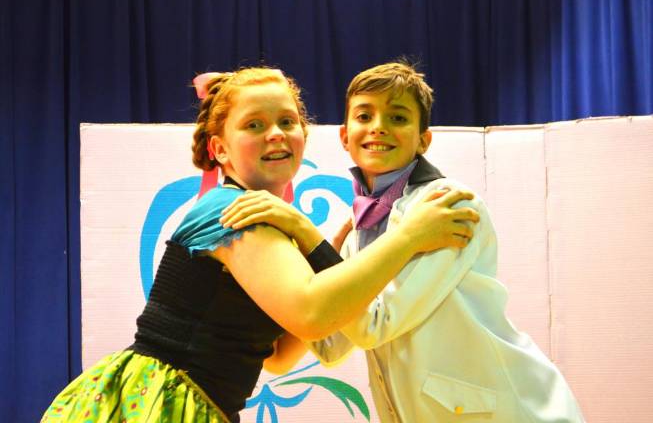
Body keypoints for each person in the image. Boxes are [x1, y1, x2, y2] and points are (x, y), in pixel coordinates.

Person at [41, 67, 479, 423]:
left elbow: (280, 356)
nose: (275, 133)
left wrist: (327, 257)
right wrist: (410, 237)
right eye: (255, 125)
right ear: (221, 150)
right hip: (161, 405)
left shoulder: (267, 222)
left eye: (287, 122)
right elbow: (313, 313)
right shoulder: (231, 211)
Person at [221, 62, 586, 422]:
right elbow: (329, 345)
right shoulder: (355, 232)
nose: (378, 128)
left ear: (423, 139)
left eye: (398, 118)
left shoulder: (448, 206)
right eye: (364, 116)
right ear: (345, 136)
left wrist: (304, 232)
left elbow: (373, 325)